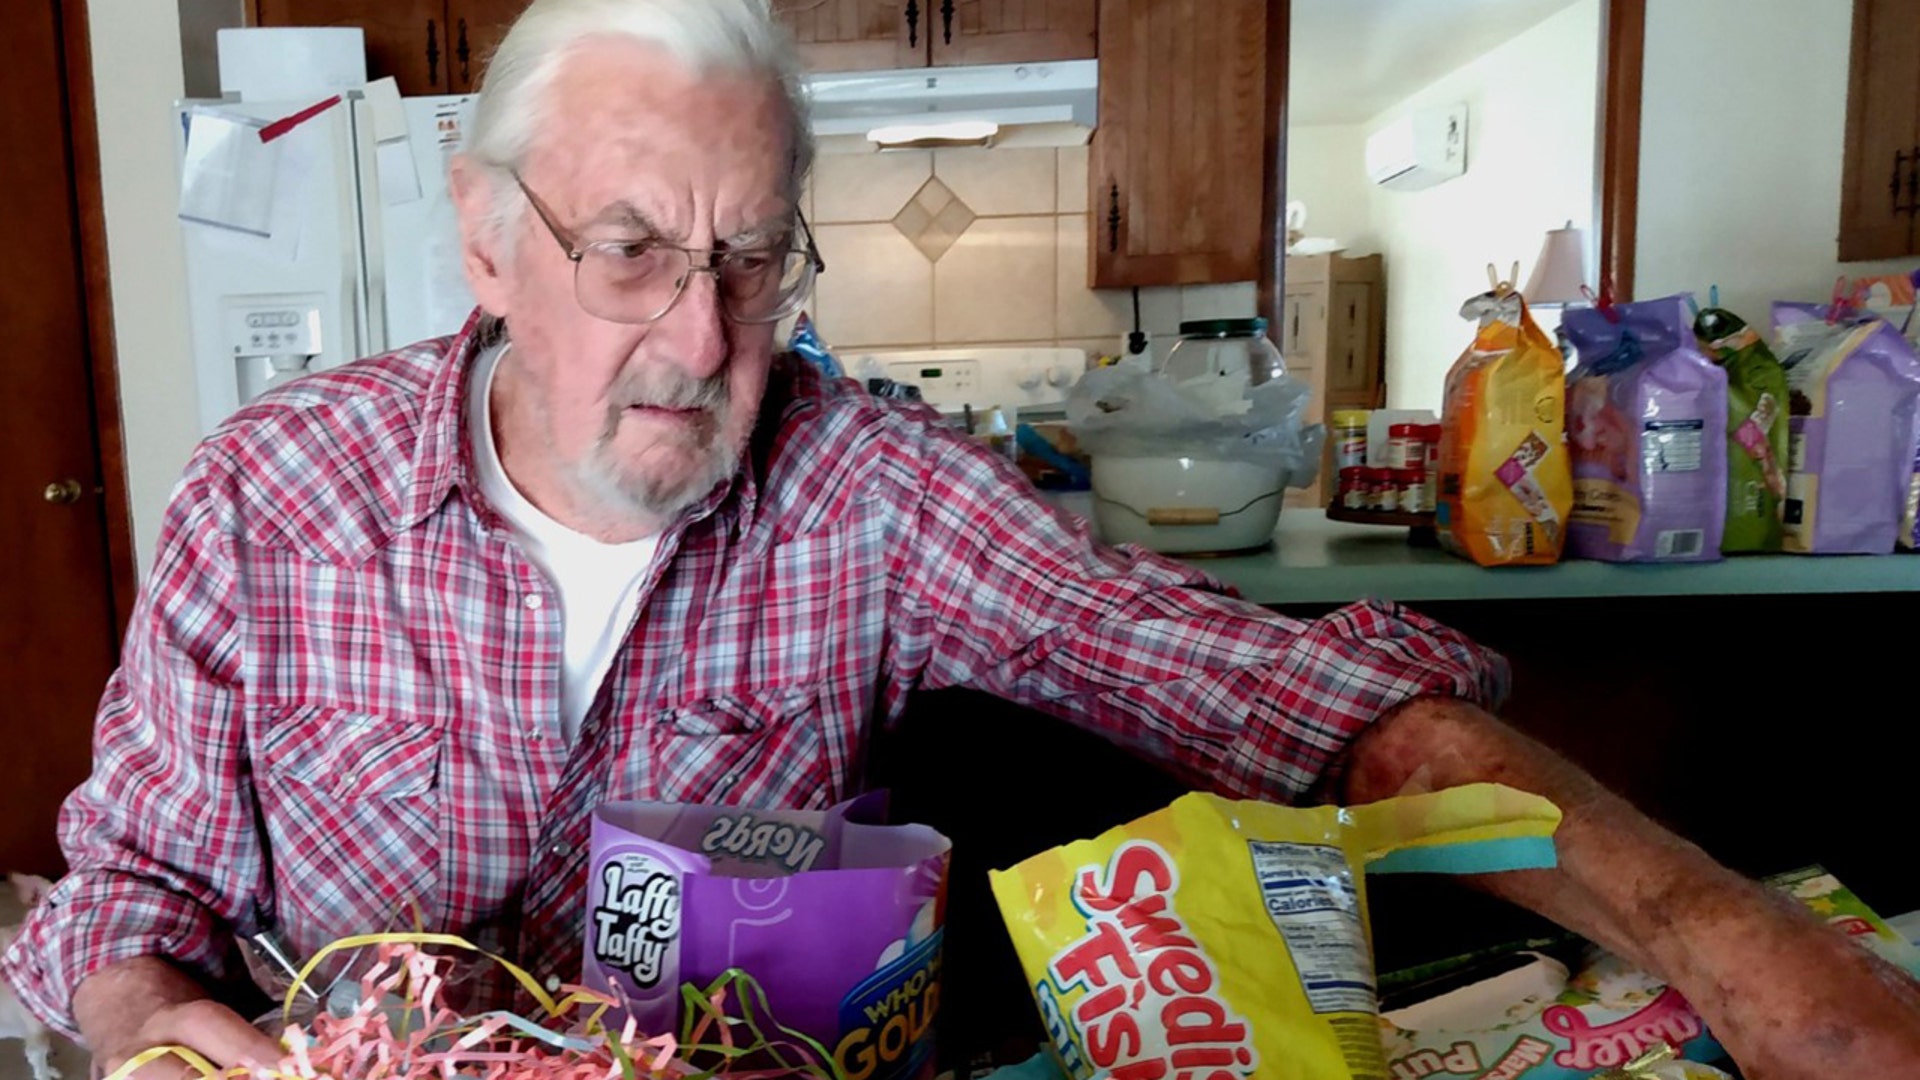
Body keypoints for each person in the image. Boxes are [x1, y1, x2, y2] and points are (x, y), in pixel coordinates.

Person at [7, 1, 1917, 1077]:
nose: (702, 337)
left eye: (756, 257)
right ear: (486, 240)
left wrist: (1741, 949)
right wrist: (167, 1037)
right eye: (629, 250)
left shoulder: (870, 492)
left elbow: (1311, 700)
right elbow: (115, 901)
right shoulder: (268, 496)